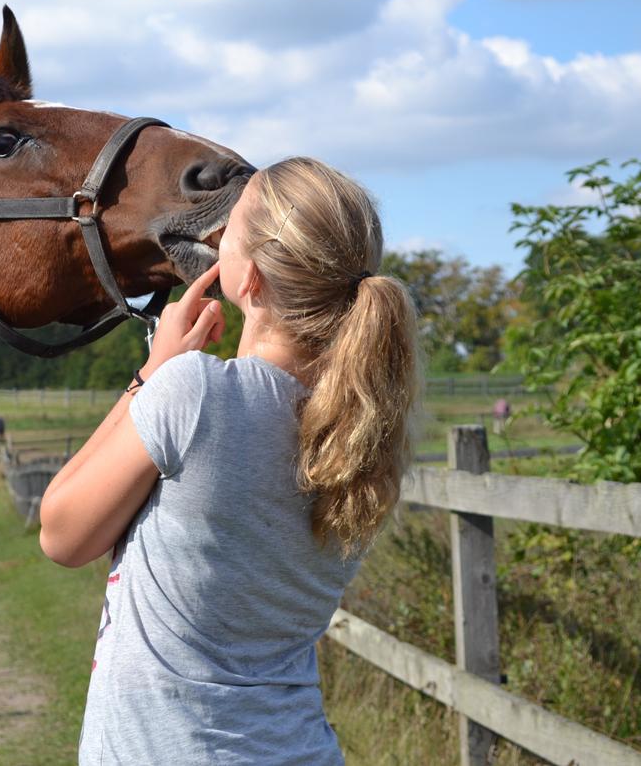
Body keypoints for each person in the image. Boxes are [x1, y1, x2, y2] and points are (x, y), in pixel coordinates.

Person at [39, 157, 422, 765]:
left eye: (230, 228)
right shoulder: (360, 439)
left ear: (252, 282)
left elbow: (61, 531)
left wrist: (151, 373)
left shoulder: (196, 394)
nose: (214, 237)